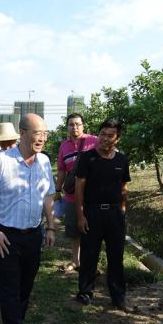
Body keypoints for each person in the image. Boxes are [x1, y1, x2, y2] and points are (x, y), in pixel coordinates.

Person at [0, 113, 56, 324]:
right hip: (7, 236)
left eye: (45, 134)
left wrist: (50, 227)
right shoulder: (1, 161)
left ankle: (13, 322)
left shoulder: (44, 162)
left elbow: (48, 196)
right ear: (22, 133)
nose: (42, 138)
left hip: (32, 235)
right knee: (10, 289)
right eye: (38, 133)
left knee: (26, 286)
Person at [74, 119, 131, 312]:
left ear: (117, 138)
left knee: (116, 256)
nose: (105, 139)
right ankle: (85, 294)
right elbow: (79, 188)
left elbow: (124, 187)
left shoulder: (122, 160)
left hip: (115, 214)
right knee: (89, 255)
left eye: (110, 135)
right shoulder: (87, 158)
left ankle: (118, 297)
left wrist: (122, 210)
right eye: (102, 134)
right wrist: (81, 216)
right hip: (92, 212)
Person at [55, 113, 97, 272]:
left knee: (92, 230)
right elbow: (61, 170)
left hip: (92, 196)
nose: (75, 127)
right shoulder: (63, 146)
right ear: (67, 127)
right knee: (74, 230)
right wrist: (58, 190)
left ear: (83, 125)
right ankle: (76, 260)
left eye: (78, 124)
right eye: (71, 124)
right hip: (72, 195)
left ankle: (90, 261)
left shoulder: (94, 141)